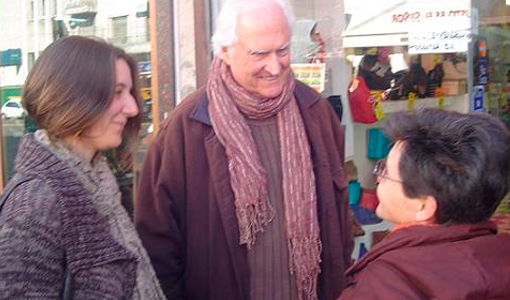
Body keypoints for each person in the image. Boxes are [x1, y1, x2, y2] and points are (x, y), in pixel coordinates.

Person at [134, 0, 353, 299]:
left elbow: (338, 221)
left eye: (283, 50)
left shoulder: (316, 112)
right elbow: (158, 243)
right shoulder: (187, 127)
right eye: (260, 53)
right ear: (224, 50)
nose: (275, 66)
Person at [0, 36, 166, 300]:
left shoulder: (99, 188)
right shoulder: (35, 204)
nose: (133, 108)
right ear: (72, 96)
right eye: (117, 93)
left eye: (129, 93)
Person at [338, 108, 510, 300]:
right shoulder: (498, 257)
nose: (377, 178)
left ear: (424, 206)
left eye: (385, 171)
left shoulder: (389, 281)